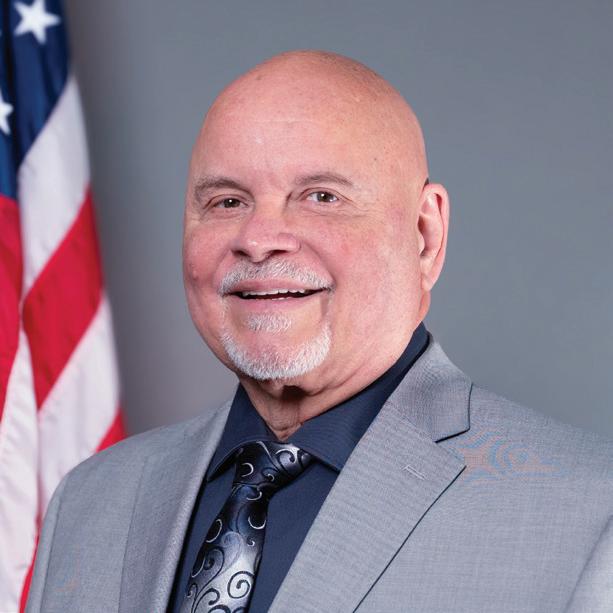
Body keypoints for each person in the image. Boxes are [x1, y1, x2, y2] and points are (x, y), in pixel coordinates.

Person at [27, 50, 612, 613]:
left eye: (321, 197)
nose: (259, 240)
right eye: (227, 201)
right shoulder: (90, 501)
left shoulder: (590, 515)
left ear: (425, 235)